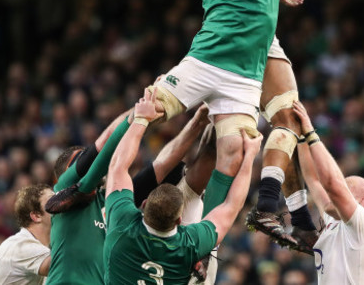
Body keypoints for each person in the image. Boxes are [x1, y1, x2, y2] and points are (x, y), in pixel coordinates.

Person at [64, 0, 364, 235]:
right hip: (204, 64)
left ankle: (206, 242)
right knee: (147, 111)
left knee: (234, 152)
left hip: (244, 78)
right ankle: (84, 184)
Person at [189, 0, 364, 252]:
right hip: (249, 39)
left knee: (250, 132)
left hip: (217, 44)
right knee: (282, 121)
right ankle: (261, 211)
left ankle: (297, 219)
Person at [103, 88, 262, 284]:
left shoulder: (122, 223)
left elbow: (118, 166)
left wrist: (249, 157)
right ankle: (233, 97)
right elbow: (117, 166)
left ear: (143, 204)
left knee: (205, 164)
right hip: (191, 270)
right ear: (180, 220)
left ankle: (226, 100)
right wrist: (141, 119)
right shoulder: (189, 244)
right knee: (208, 160)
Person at [46, 105, 210, 285]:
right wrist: (140, 110)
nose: (94, 162)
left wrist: (197, 123)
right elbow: (106, 141)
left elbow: (163, 164)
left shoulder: (118, 200)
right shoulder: (64, 195)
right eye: (83, 161)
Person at [292, 100, 364, 284]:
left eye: (347, 189)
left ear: (363, 201)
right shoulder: (336, 221)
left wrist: (310, 132)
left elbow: (332, 184)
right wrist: (300, 136)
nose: (337, 193)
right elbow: (313, 179)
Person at [0, 184, 53, 285]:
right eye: (51, 200)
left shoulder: (42, 249)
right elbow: (58, 266)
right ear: (36, 215)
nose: (59, 204)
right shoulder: (20, 245)